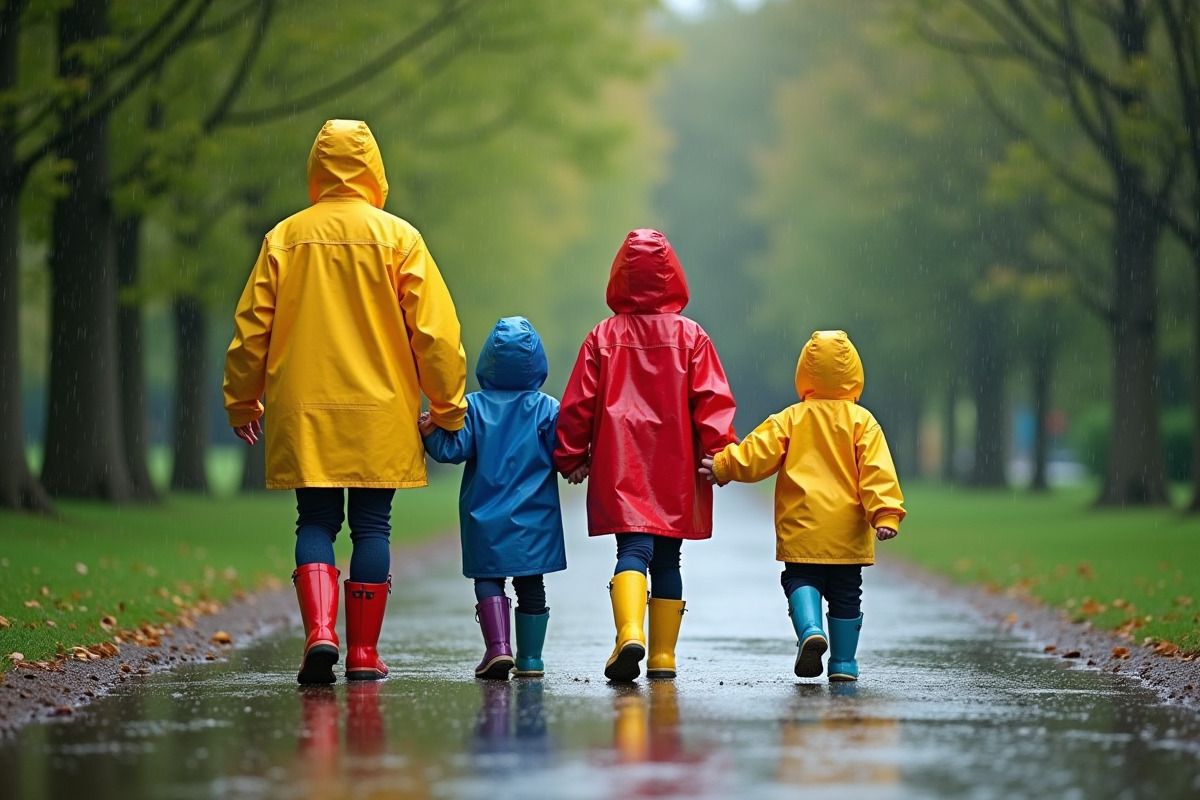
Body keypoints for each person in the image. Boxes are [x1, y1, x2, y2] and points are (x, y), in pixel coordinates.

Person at [223, 119, 468, 685]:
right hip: (379, 412)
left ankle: (320, 633)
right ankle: (362, 652)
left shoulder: (284, 238)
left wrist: (243, 401)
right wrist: (449, 408)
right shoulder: (399, 238)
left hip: (305, 408)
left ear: (317, 167)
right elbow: (435, 333)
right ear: (373, 169)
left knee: (314, 520)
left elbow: (251, 330)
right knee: (372, 527)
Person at [554, 228, 738, 682]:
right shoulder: (692, 337)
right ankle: (661, 656)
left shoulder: (603, 337)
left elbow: (579, 403)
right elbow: (712, 400)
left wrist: (571, 455)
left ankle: (629, 630)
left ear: (619, 277)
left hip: (622, 463)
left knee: (633, 549)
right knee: (669, 558)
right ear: (674, 275)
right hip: (674, 467)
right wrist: (722, 454)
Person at [700, 330, 905, 682]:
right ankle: (843, 663)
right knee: (846, 592)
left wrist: (724, 466)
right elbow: (877, 470)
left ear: (805, 372)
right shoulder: (863, 422)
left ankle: (811, 629)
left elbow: (757, 453)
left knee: (800, 578)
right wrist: (884, 512)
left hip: (802, 527)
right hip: (845, 533)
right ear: (853, 372)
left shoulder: (791, 418)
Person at [419, 316, 567, 680]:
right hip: (536, 517)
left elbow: (452, 450)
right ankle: (531, 659)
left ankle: (498, 648)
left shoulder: (474, 408)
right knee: (531, 582)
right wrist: (580, 462)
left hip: (484, 514)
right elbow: (564, 451)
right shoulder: (548, 409)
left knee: (489, 577)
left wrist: (429, 434)